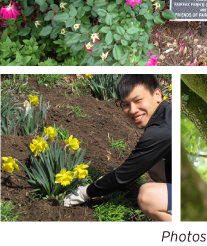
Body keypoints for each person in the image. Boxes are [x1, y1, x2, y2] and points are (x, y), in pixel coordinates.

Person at [64, 74, 172, 221]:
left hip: (199, 192)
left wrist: (87, 192)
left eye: (138, 100)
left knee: (148, 196)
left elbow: (124, 175)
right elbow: (135, 165)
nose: (132, 110)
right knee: (153, 165)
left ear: (157, 94)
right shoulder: (167, 113)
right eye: (126, 104)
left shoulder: (160, 131)